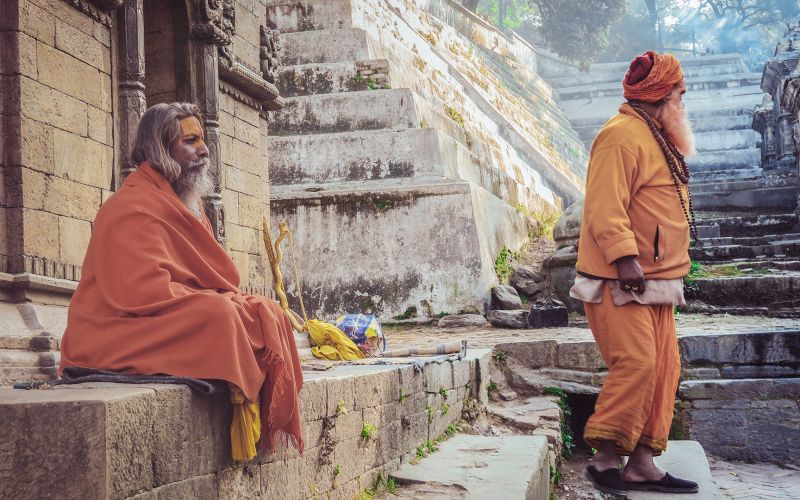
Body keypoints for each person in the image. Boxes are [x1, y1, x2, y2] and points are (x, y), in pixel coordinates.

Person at [59, 102, 303, 460]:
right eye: (190, 141)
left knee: (267, 312)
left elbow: (209, 277)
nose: (204, 150)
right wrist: (214, 300)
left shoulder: (184, 202)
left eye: (202, 140)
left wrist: (222, 298)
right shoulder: (130, 206)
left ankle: (263, 428)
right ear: (162, 148)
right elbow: (141, 292)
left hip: (163, 313)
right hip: (114, 327)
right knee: (219, 314)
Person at [571, 51, 700, 495]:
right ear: (662, 94)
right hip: (620, 280)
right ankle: (606, 456)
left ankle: (642, 464)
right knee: (639, 364)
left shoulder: (652, 133)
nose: (684, 99)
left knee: (665, 369)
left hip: (658, 281)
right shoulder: (621, 135)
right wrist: (625, 258)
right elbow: (604, 205)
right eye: (679, 91)